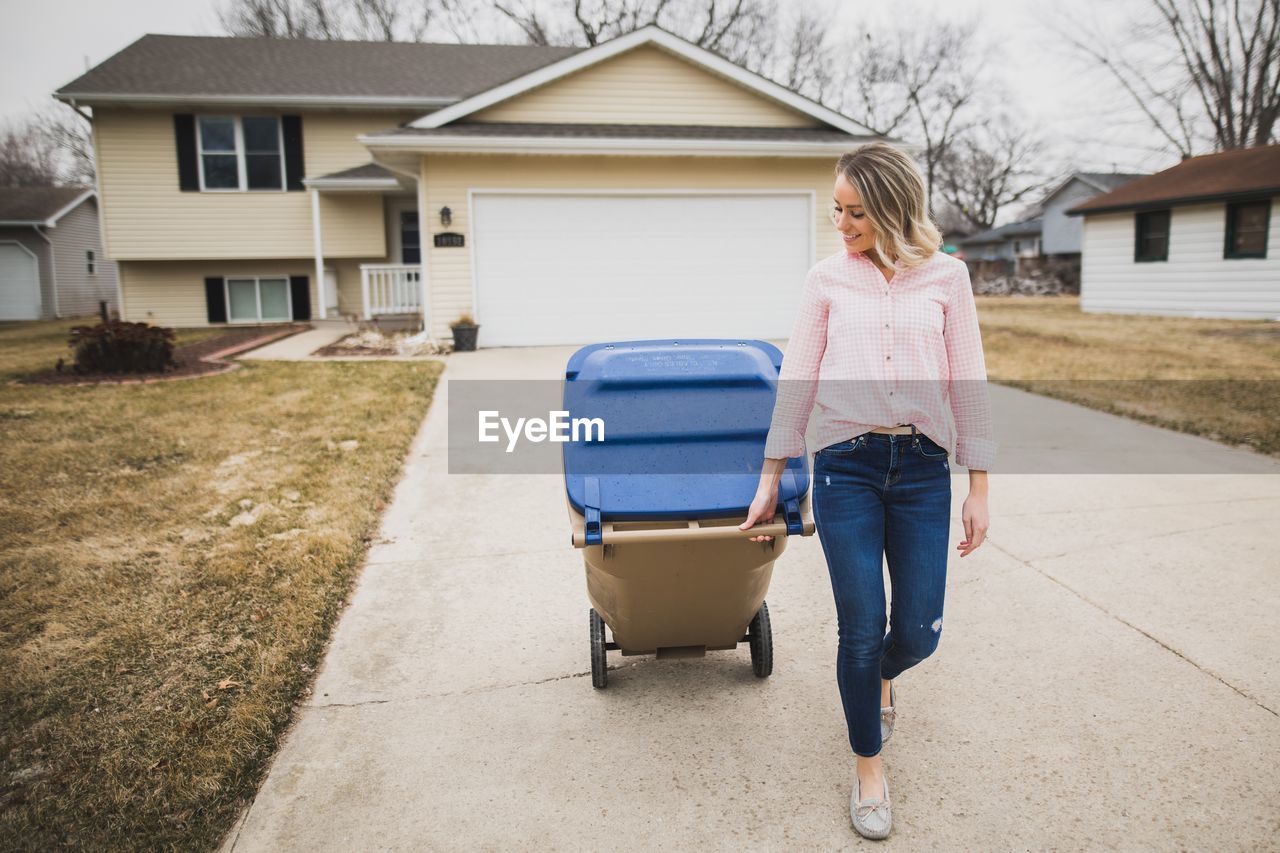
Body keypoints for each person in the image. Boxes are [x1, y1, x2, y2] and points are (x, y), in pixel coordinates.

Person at [738, 142, 995, 840]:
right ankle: (869, 769)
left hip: (920, 469)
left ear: (891, 208)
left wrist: (979, 485)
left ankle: (882, 678)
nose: (843, 224)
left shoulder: (948, 278)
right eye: (838, 211)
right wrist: (771, 477)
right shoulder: (826, 281)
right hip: (846, 465)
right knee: (860, 626)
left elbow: (967, 381)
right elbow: (798, 382)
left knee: (916, 631)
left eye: (856, 213)